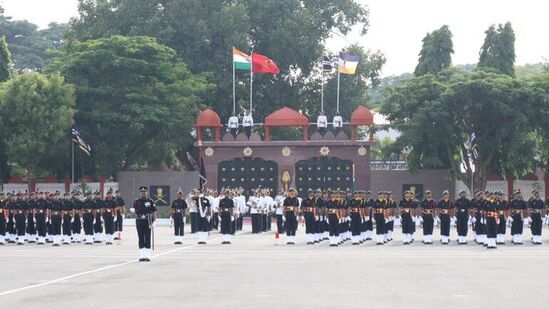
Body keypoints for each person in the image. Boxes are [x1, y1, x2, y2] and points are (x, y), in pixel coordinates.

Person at [130, 186, 157, 262]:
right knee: (141, 237)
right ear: (140, 193)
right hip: (139, 220)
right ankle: (142, 255)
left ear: (146, 192)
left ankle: (147, 256)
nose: (143, 193)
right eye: (142, 192)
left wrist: (154, 221)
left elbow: (154, 211)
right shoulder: (136, 201)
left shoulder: (150, 201)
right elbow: (135, 210)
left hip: (148, 220)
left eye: (144, 192)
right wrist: (133, 211)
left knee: (147, 237)